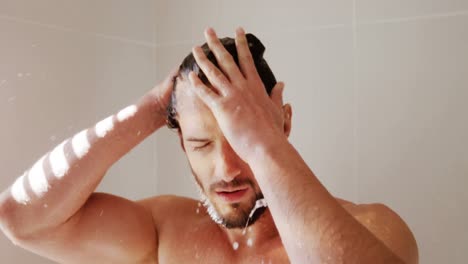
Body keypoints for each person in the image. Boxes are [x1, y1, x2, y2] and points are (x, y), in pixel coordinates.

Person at [0, 27, 418, 264]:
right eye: (201, 143)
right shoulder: (163, 232)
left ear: (283, 125)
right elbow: (22, 220)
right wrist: (151, 109)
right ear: (180, 140)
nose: (226, 167)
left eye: (243, 141)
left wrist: (264, 145)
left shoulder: (370, 228)